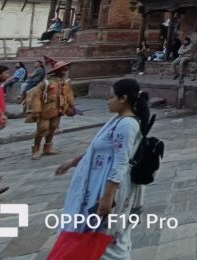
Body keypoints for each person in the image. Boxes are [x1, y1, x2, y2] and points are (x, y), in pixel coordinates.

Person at [54, 78, 148, 260]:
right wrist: (74, 162)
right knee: (101, 235)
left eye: (111, 97)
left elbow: (120, 161)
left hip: (109, 187)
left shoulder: (126, 125)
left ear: (123, 99)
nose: (108, 101)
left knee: (108, 238)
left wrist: (107, 196)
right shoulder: (117, 120)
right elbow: (100, 149)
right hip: (99, 184)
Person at [25, 61, 76, 159]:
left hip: (58, 110)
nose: (66, 71)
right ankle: (36, 149)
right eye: (64, 69)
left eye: (66, 69)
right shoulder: (46, 82)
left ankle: (48, 147)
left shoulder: (66, 83)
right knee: (42, 129)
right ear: (58, 71)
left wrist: (72, 106)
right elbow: (36, 95)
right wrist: (36, 110)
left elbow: (69, 95)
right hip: (45, 110)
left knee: (53, 127)